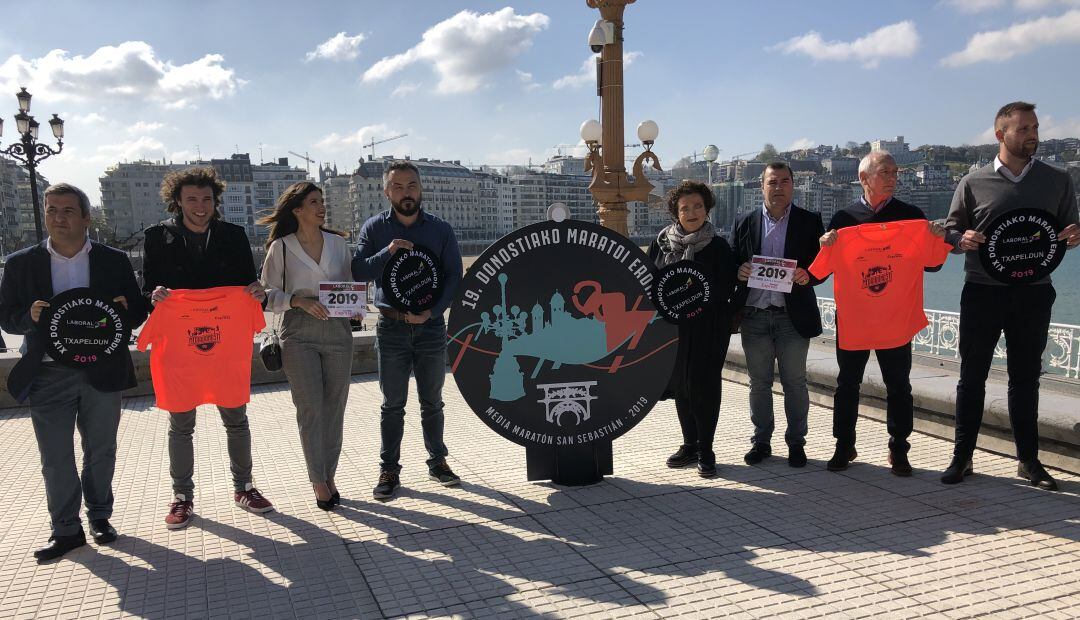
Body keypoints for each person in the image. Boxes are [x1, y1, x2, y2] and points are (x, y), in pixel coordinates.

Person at [0, 183, 147, 562]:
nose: (58, 217)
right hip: (48, 373)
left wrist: (123, 308)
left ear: (86, 217)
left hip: (102, 370)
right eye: (51, 210)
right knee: (55, 457)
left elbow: (135, 313)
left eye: (67, 210)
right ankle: (65, 529)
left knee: (101, 450)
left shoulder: (113, 260)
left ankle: (99, 516)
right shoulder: (20, 263)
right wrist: (27, 318)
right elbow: (5, 316)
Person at [942, 101, 1080, 490]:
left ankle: (1029, 461)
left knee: (1025, 379)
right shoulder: (973, 182)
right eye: (1023, 129)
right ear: (1000, 135)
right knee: (971, 378)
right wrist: (960, 238)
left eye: (1035, 127)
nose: (1033, 135)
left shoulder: (1058, 180)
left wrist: (1074, 236)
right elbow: (952, 232)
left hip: (1034, 293)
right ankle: (961, 457)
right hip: (983, 291)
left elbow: (1065, 235)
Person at [142, 166, 273, 529]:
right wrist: (154, 296)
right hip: (180, 346)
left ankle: (244, 487)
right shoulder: (158, 237)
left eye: (206, 199)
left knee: (236, 419)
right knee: (181, 424)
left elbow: (249, 285)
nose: (200, 206)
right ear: (177, 201)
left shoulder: (233, 235)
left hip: (225, 340)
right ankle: (182, 496)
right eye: (192, 200)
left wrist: (255, 292)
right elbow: (147, 290)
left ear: (215, 200)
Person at [817, 151, 947, 475]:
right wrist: (824, 245)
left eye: (895, 171)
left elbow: (933, 265)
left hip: (895, 320)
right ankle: (843, 445)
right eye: (884, 171)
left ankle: (899, 449)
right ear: (863, 178)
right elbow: (819, 273)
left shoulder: (912, 216)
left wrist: (935, 238)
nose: (892, 177)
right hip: (855, 320)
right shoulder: (844, 219)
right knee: (847, 385)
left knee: (899, 386)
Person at [351, 161, 463, 500]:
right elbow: (357, 272)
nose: (405, 193)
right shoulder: (374, 229)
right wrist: (387, 253)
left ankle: (438, 462)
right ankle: (389, 469)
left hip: (430, 327)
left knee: (432, 402)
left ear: (421, 188)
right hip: (392, 328)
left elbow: (453, 277)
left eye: (411, 185)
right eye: (397, 187)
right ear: (386, 192)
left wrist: (433, 311)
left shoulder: (440, 230)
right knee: (392, 404)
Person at [259, 182, 355, 510]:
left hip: (338, 330)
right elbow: (265, 295)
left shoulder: (338, 244)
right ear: (297, 210)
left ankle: (330, 473)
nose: (321, 207)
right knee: (311, 409)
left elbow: (349, 286)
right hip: (297, 332)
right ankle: (319, 480)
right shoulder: (281, 248)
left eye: (322, 201)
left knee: (334, 408)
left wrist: (355, 301)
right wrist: (297, 300)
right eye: (313, 202)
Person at [731, 162, 824, 467]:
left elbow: (823, 267)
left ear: (793, 185)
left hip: (791, 317)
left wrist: (808, 275)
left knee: (795, 383)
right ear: (762, 186)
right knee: (758, 383)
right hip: (755, 316)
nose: (779, 187)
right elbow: (732, 262)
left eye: (785, 181)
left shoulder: (810, 222)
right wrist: (739, 271)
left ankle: (797, 443)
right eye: (773, 182)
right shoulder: (744, 221)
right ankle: (761, 442)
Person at [648, 181, 738, 478]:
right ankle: (689, 444)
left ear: (707, 208)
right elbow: (649, 282)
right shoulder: (661, 243)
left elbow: (727, 289)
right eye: (685, 208)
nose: (692, 212)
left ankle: (707, 449)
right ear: (676, 212)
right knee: (682, 386)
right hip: (673, 329)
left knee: (705, 387)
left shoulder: (719, 246)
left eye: (698, 206)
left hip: (708, 328)